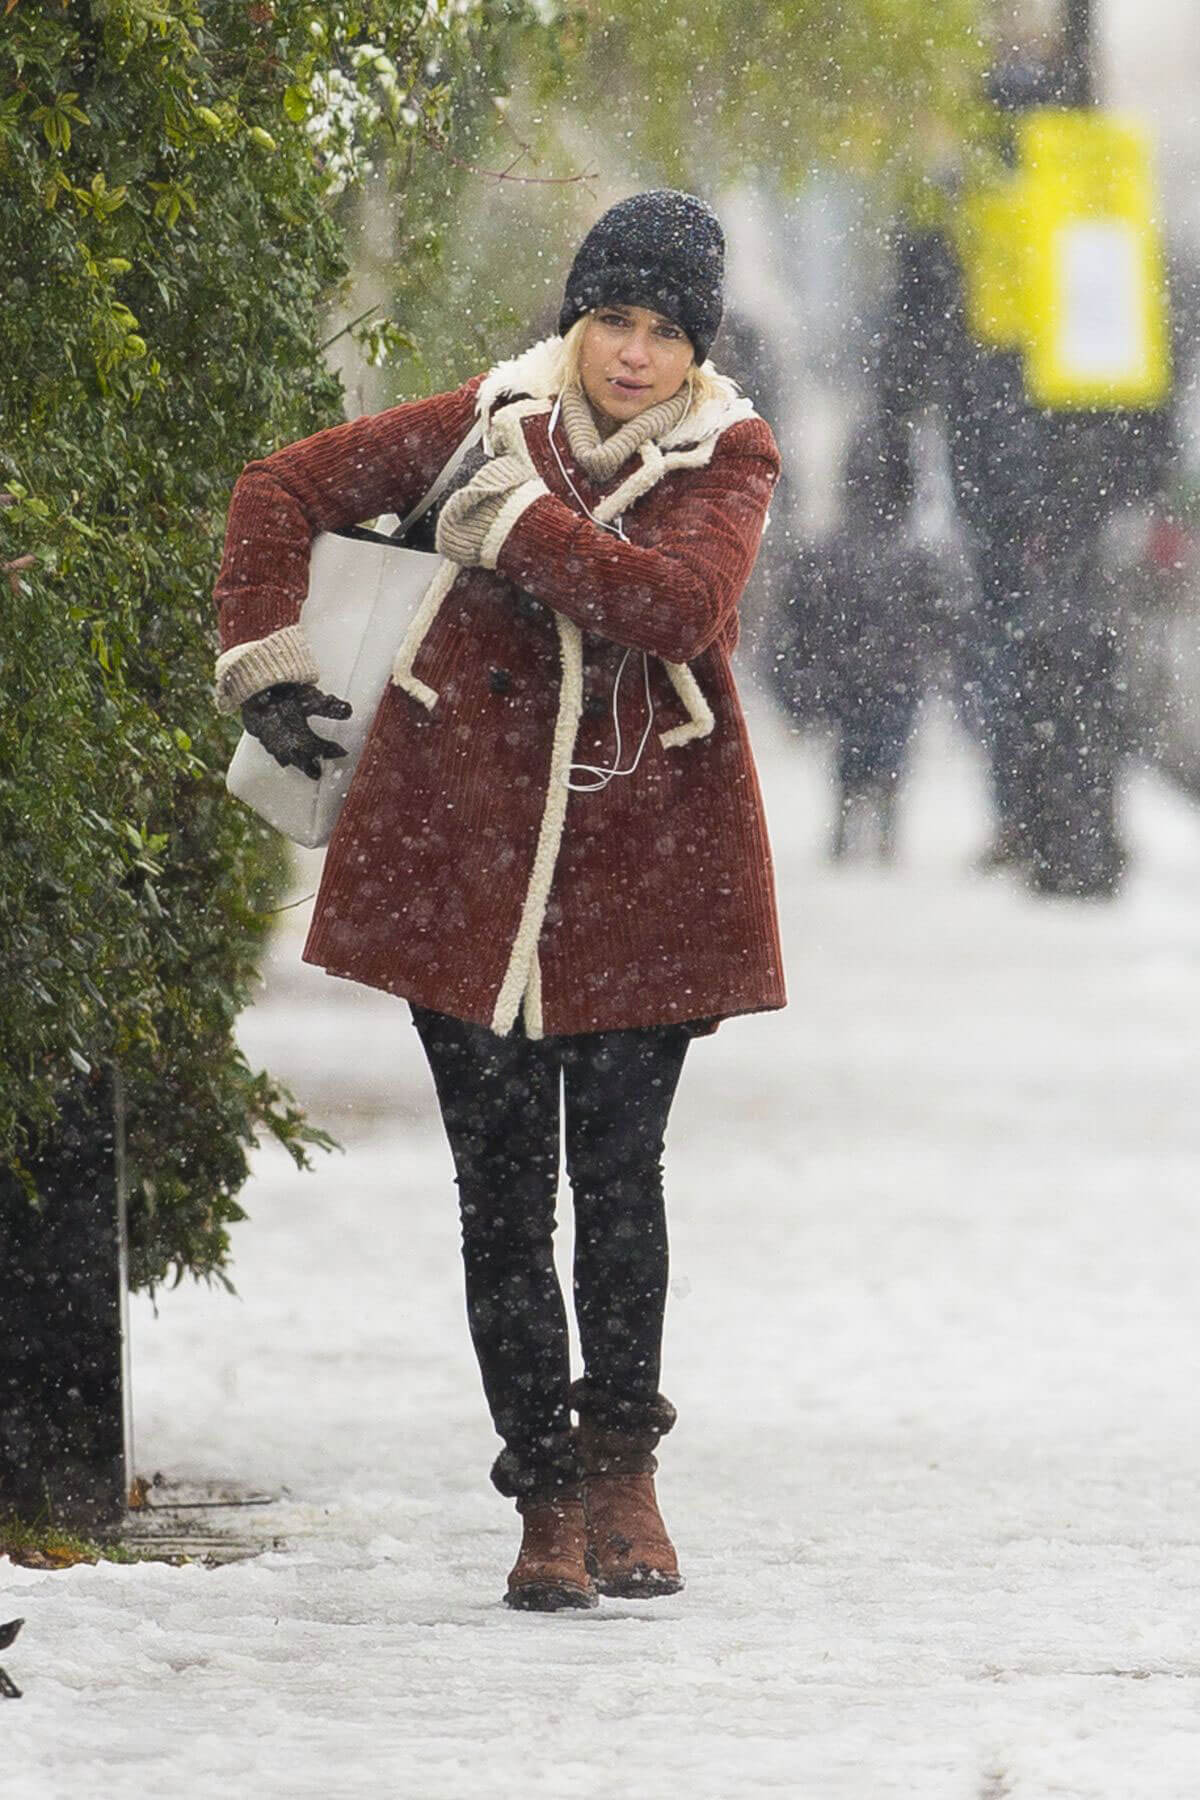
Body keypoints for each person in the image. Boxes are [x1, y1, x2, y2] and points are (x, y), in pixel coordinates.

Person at [213, 190, 786, 1611]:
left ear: (696, 347)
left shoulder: (732, 450)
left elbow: (679, 612)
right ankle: (540, 1496)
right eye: (612, 320)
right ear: (576, 317)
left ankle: (625, 1473)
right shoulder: (487, 418)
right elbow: (276, 490)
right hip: (452, 865)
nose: (633, 354)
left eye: (663, 330)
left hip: (653, 875)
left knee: (618, 1181)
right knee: (500, 1198)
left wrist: (515, 526)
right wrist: (269, 666)